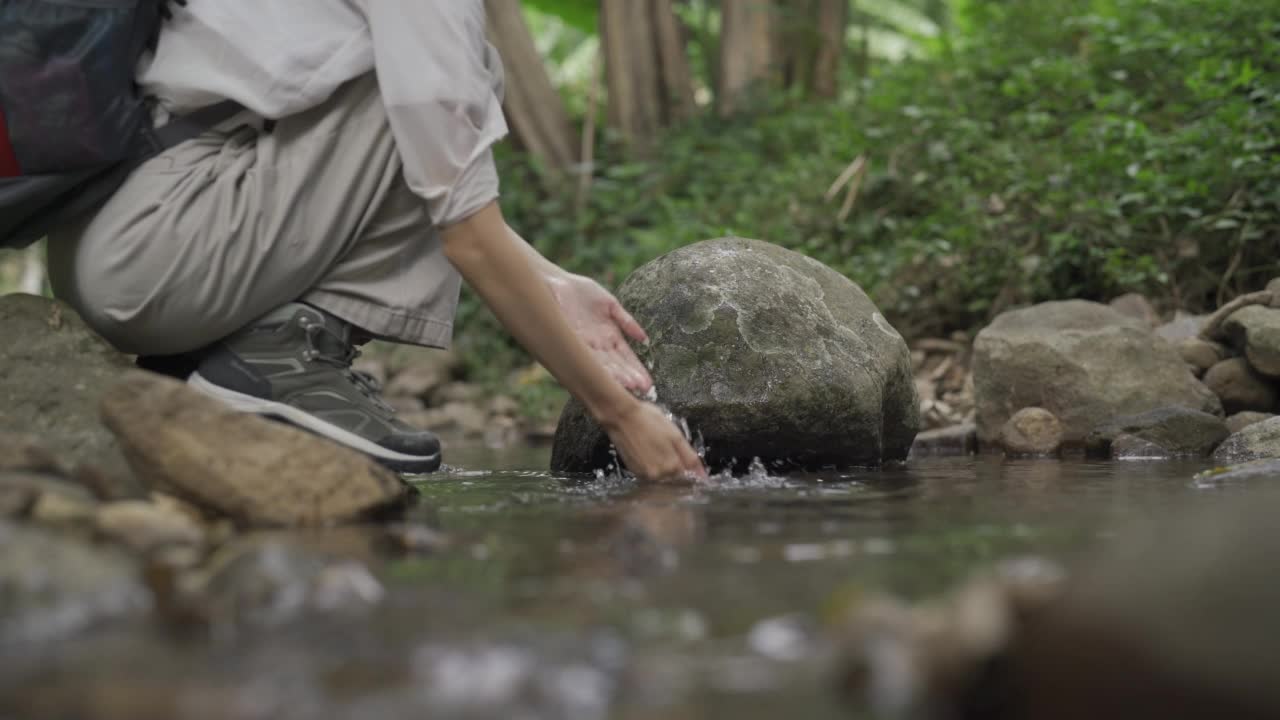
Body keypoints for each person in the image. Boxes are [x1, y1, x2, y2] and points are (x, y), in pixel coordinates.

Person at [45, 1, 706, 483]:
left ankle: (228, 352)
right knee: (450, 87)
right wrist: (619, 415)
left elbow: (374, 176)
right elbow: (464, 228)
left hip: (131, 235)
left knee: (441, 99)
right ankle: (277, 356)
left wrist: (555, 284)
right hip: (163, 250)